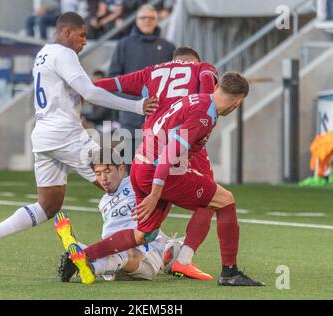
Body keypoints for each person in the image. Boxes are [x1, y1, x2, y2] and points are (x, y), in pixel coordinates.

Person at [0, 12, 158, 274]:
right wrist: (136, 105)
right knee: (118, 180)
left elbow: (77, 93)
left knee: (48, 206)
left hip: (44, 136)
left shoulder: (43, 53)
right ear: (67, 32)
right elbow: (89, 92)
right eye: (82, 35)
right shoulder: (64, 53)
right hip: (65, 135)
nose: (84, 42)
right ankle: (133, 247)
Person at [62, 72, 265, 286]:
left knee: (144, 234)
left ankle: (82, 256)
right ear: (239, 102)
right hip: (160, 171)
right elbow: (169, 154)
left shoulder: (196, 99)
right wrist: (155, 193)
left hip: (141, 163)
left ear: (216, 88)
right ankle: (230, 273)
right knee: (225, 200)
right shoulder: (203, 116)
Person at [95, 46, 219, 279]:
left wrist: (78, 90)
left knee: (147, 217)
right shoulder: (200, 68)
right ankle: (182, 259)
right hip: (185, 144)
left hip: (149, 147)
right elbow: (208, 92)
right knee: (210, 202)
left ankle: (108, 253)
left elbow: (111, 84)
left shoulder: (152, 72)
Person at [56, 148, 183, 283]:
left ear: (121, 169)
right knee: (115, 252)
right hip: (115, 250)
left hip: (139, 252)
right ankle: (83, 260)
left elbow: (163, 173)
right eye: (98, 173)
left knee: (123, 253)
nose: (103, 178)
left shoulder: (136, 181)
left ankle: (84, 260)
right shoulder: (103, 202)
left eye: (107, 171)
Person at [109, 4, 175, 171]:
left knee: (158, 166)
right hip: (131, 115)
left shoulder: (168, 47)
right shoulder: (123, 45)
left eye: (151, 18)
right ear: (136, 21)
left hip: (160, 116)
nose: (147, 21)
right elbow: (115, 78)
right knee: (131, 165)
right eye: (143, 18)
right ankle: (132, 197)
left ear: (157, 20)